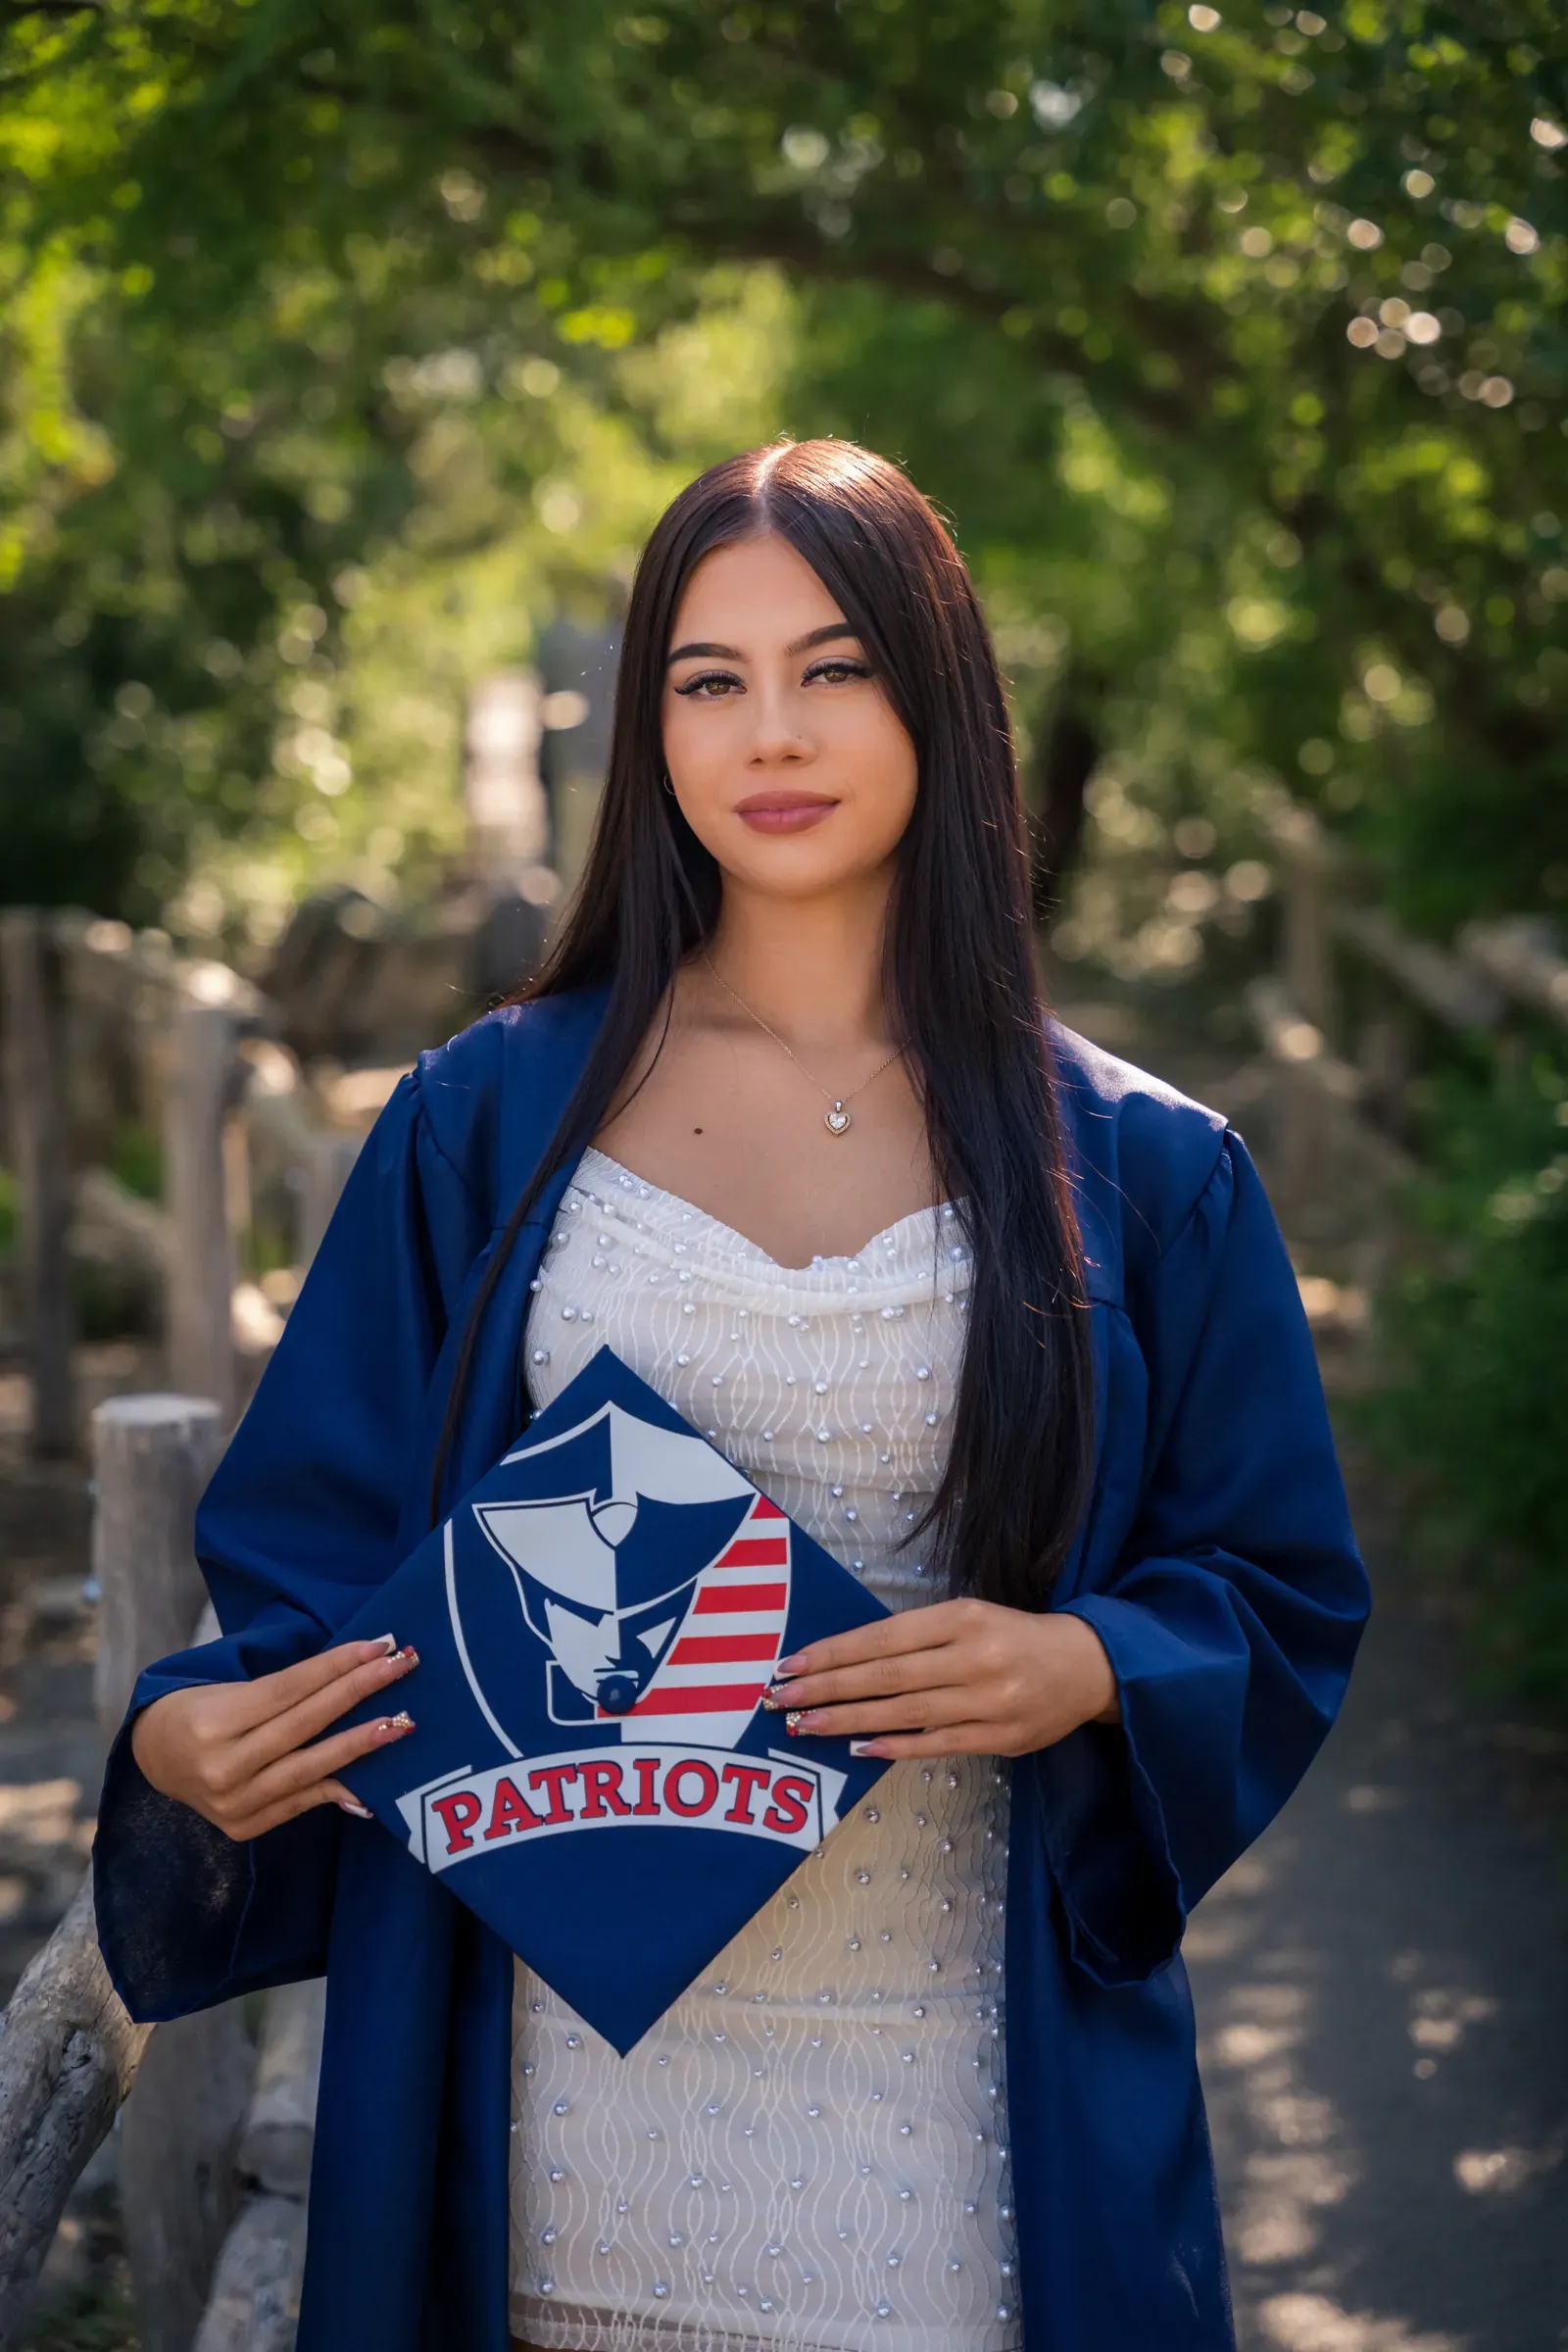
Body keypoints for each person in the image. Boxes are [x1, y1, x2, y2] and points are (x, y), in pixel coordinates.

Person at [94, 438, 1369, 2352]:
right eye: (709, 680)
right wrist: (192, 1732)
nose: (770, 730)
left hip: (968, 2124)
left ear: (937, 695)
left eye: (832, 666)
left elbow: (1274, 1583)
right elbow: (324, 1569)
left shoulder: (1140, 1169)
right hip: (547, 2122)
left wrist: (1093, 1665)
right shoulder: (483, 1122)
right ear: (650, 730)